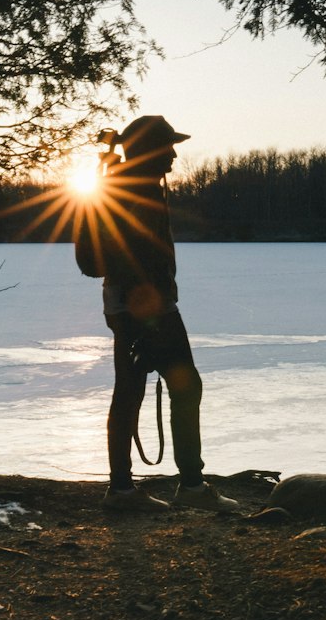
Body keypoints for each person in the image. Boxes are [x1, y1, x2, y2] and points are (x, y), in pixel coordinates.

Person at [93, 114, 235, 509]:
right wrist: (149, 319)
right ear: (150, 150)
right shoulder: (135, 188)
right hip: (145, 305)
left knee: (132, 390)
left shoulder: (123, 182)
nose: (174, 155)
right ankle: (188, 487)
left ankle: (123, 488)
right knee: (183, 386)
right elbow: (132, 256)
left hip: (130, 303)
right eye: (168, 147)